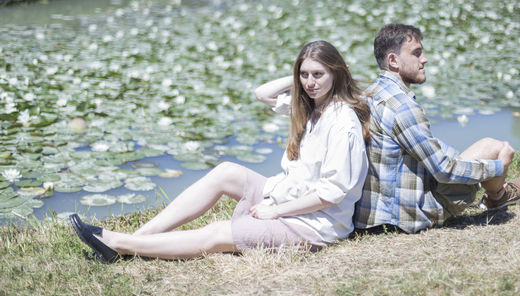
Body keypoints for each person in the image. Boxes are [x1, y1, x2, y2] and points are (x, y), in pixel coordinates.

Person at [70, 40, 370, 262]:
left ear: (336, 73)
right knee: (226, 171)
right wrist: (297, 73)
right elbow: (262, 94)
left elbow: (331, 193)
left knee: (218, 233)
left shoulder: (342, 122)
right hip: (288, 193)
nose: (310, 83)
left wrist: (274, 211)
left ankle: (119, 244)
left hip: (316, 225)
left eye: (318, 74)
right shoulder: (312, 107)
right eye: (304, 75)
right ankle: (138, 238)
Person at [353, 24, 520, 234]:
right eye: (416, 54)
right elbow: (443, 170)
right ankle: (498, 196)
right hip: (406, 217)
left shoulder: (369, 94)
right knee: (494, 148)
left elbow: (429, 152)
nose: (424, 59)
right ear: (393, 60)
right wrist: (497, 167)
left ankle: (497, 194)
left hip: (370, 217)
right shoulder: (403, 107)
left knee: (468, 154)